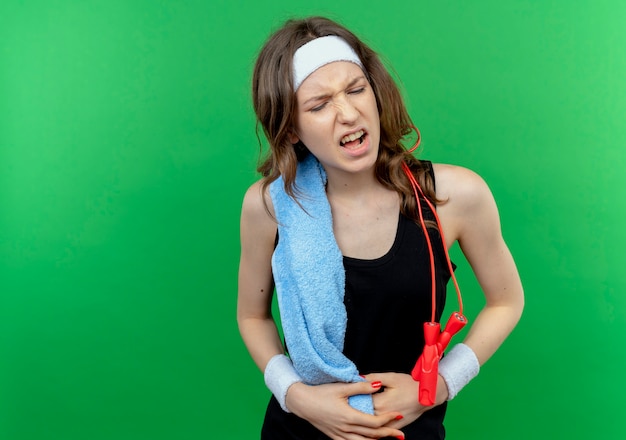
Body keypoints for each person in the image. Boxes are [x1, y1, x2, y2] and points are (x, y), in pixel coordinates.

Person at [237, 16, 524, 440]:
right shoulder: (269, 206)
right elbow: (252, 316)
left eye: (356, 90)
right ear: (292, 128)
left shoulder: (455, 195)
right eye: (319, 105)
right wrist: (295, 395)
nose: (348, 114)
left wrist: (439, 385)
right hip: (296, 430)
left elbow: (506, 302)